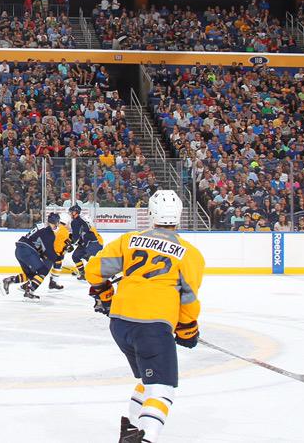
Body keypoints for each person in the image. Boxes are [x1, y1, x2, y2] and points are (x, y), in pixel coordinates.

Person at [85, 190, 204, 443]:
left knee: (148, 379)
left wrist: (105, 294)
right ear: (179, 216)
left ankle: (131, 428)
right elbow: (188, 298)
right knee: (162, 388)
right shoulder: (190, 253)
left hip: (120, 323)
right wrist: (187, 329)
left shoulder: (129, 240)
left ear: (150, 213)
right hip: (153, 326)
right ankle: (146, 438)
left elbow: (94, 270)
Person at [0, 213, 61, 300]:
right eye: (58, 222)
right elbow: (48, 251)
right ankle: (29, 291)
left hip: (19, 250)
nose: (58, 225)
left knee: (31, 275)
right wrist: (58, 259)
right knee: (43, 271)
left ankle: (8, 281)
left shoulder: (40, 225)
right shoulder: (49, 232)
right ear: (55, 222)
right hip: (27, 250)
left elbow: (37, 242)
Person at [68, 203, 104, 280]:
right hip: (92, 242)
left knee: (91, 259)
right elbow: (80, 234)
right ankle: (83, 274)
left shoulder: (75, 222)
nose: (70, 214)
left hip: (93, 243)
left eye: (72, 212)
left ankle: (108, 274)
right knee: (76, 256)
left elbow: (76, 237)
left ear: (76, 212)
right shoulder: (81, 219)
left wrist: (70, 244)